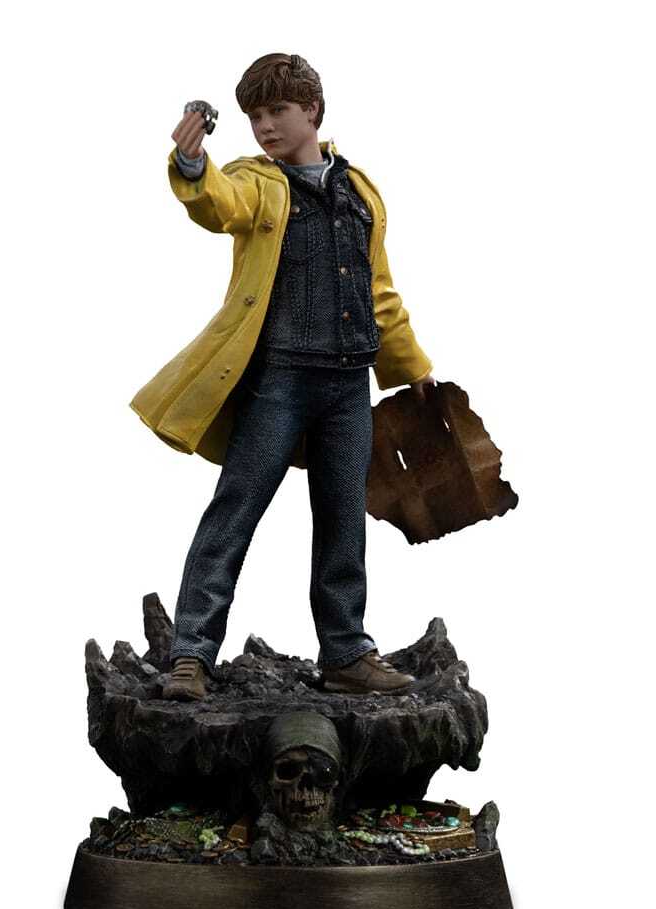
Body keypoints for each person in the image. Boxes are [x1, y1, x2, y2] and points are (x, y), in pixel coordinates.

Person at [131, 53, 436, 700]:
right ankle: (192, 653)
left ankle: (346, 652)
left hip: (349, 385)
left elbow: (379, 289)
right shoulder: (257, 183)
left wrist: (413, 368)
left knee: (343, 521)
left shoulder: (360, 192)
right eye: (255, 116)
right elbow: (221, 203)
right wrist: (193, 164)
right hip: (281, 380)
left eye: (278, 111)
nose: (265, 126)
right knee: (235, 510)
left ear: (313, 111)